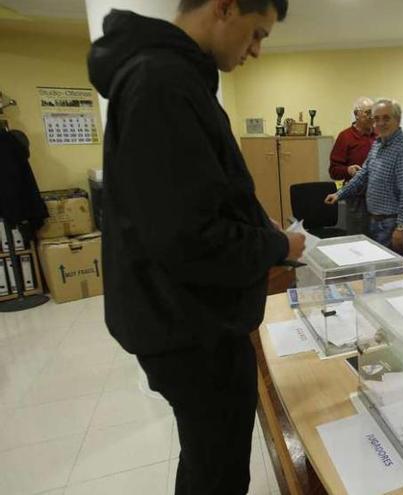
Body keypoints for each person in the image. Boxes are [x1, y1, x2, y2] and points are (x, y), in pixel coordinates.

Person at [87, 1, 302, 494]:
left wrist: (252, 218)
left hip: (186, 320)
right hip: (190, 328)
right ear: (225, 7)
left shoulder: (173, 77)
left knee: (212, 459)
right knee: (217, 471)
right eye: (257, 33)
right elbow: (190, 239)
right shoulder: (162, 83)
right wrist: (277, 243)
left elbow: (190, 199)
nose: (257, 50)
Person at [324, 98, 403, 253]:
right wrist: (340, 193)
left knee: (388, 272)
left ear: (398, 119)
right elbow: (364, 173)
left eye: (386, 118)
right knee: (371, 265)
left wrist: (401, 227)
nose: (380, 123)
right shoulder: (378, 144)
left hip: (391, 223)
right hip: (373, 219)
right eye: (376, 119)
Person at [329, 96, 375, 236]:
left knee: (379, 242)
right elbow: (333, 171)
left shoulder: (379, 135)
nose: (371, 116)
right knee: (359, 240)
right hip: (356, 198)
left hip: (377, 197)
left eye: (373, 112)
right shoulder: (345, 137)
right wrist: (348, 170)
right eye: (368, 112)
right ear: (356, 114)